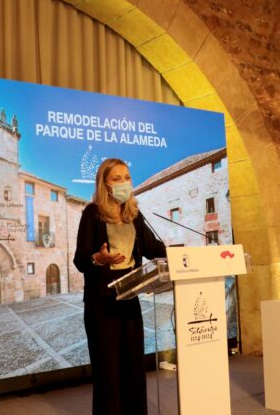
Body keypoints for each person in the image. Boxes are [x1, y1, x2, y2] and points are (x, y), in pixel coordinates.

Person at [73, 158, 166, 415]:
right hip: (102, 304)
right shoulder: (91, 214)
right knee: (109, 372)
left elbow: (154, 250)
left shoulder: (134, 216)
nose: (124, 182)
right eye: (117, 178)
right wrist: (98, 258)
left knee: (133, 368)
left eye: (127, 177)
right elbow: (80, 260)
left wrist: (181, 257)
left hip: (129, 301)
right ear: (105, 183)